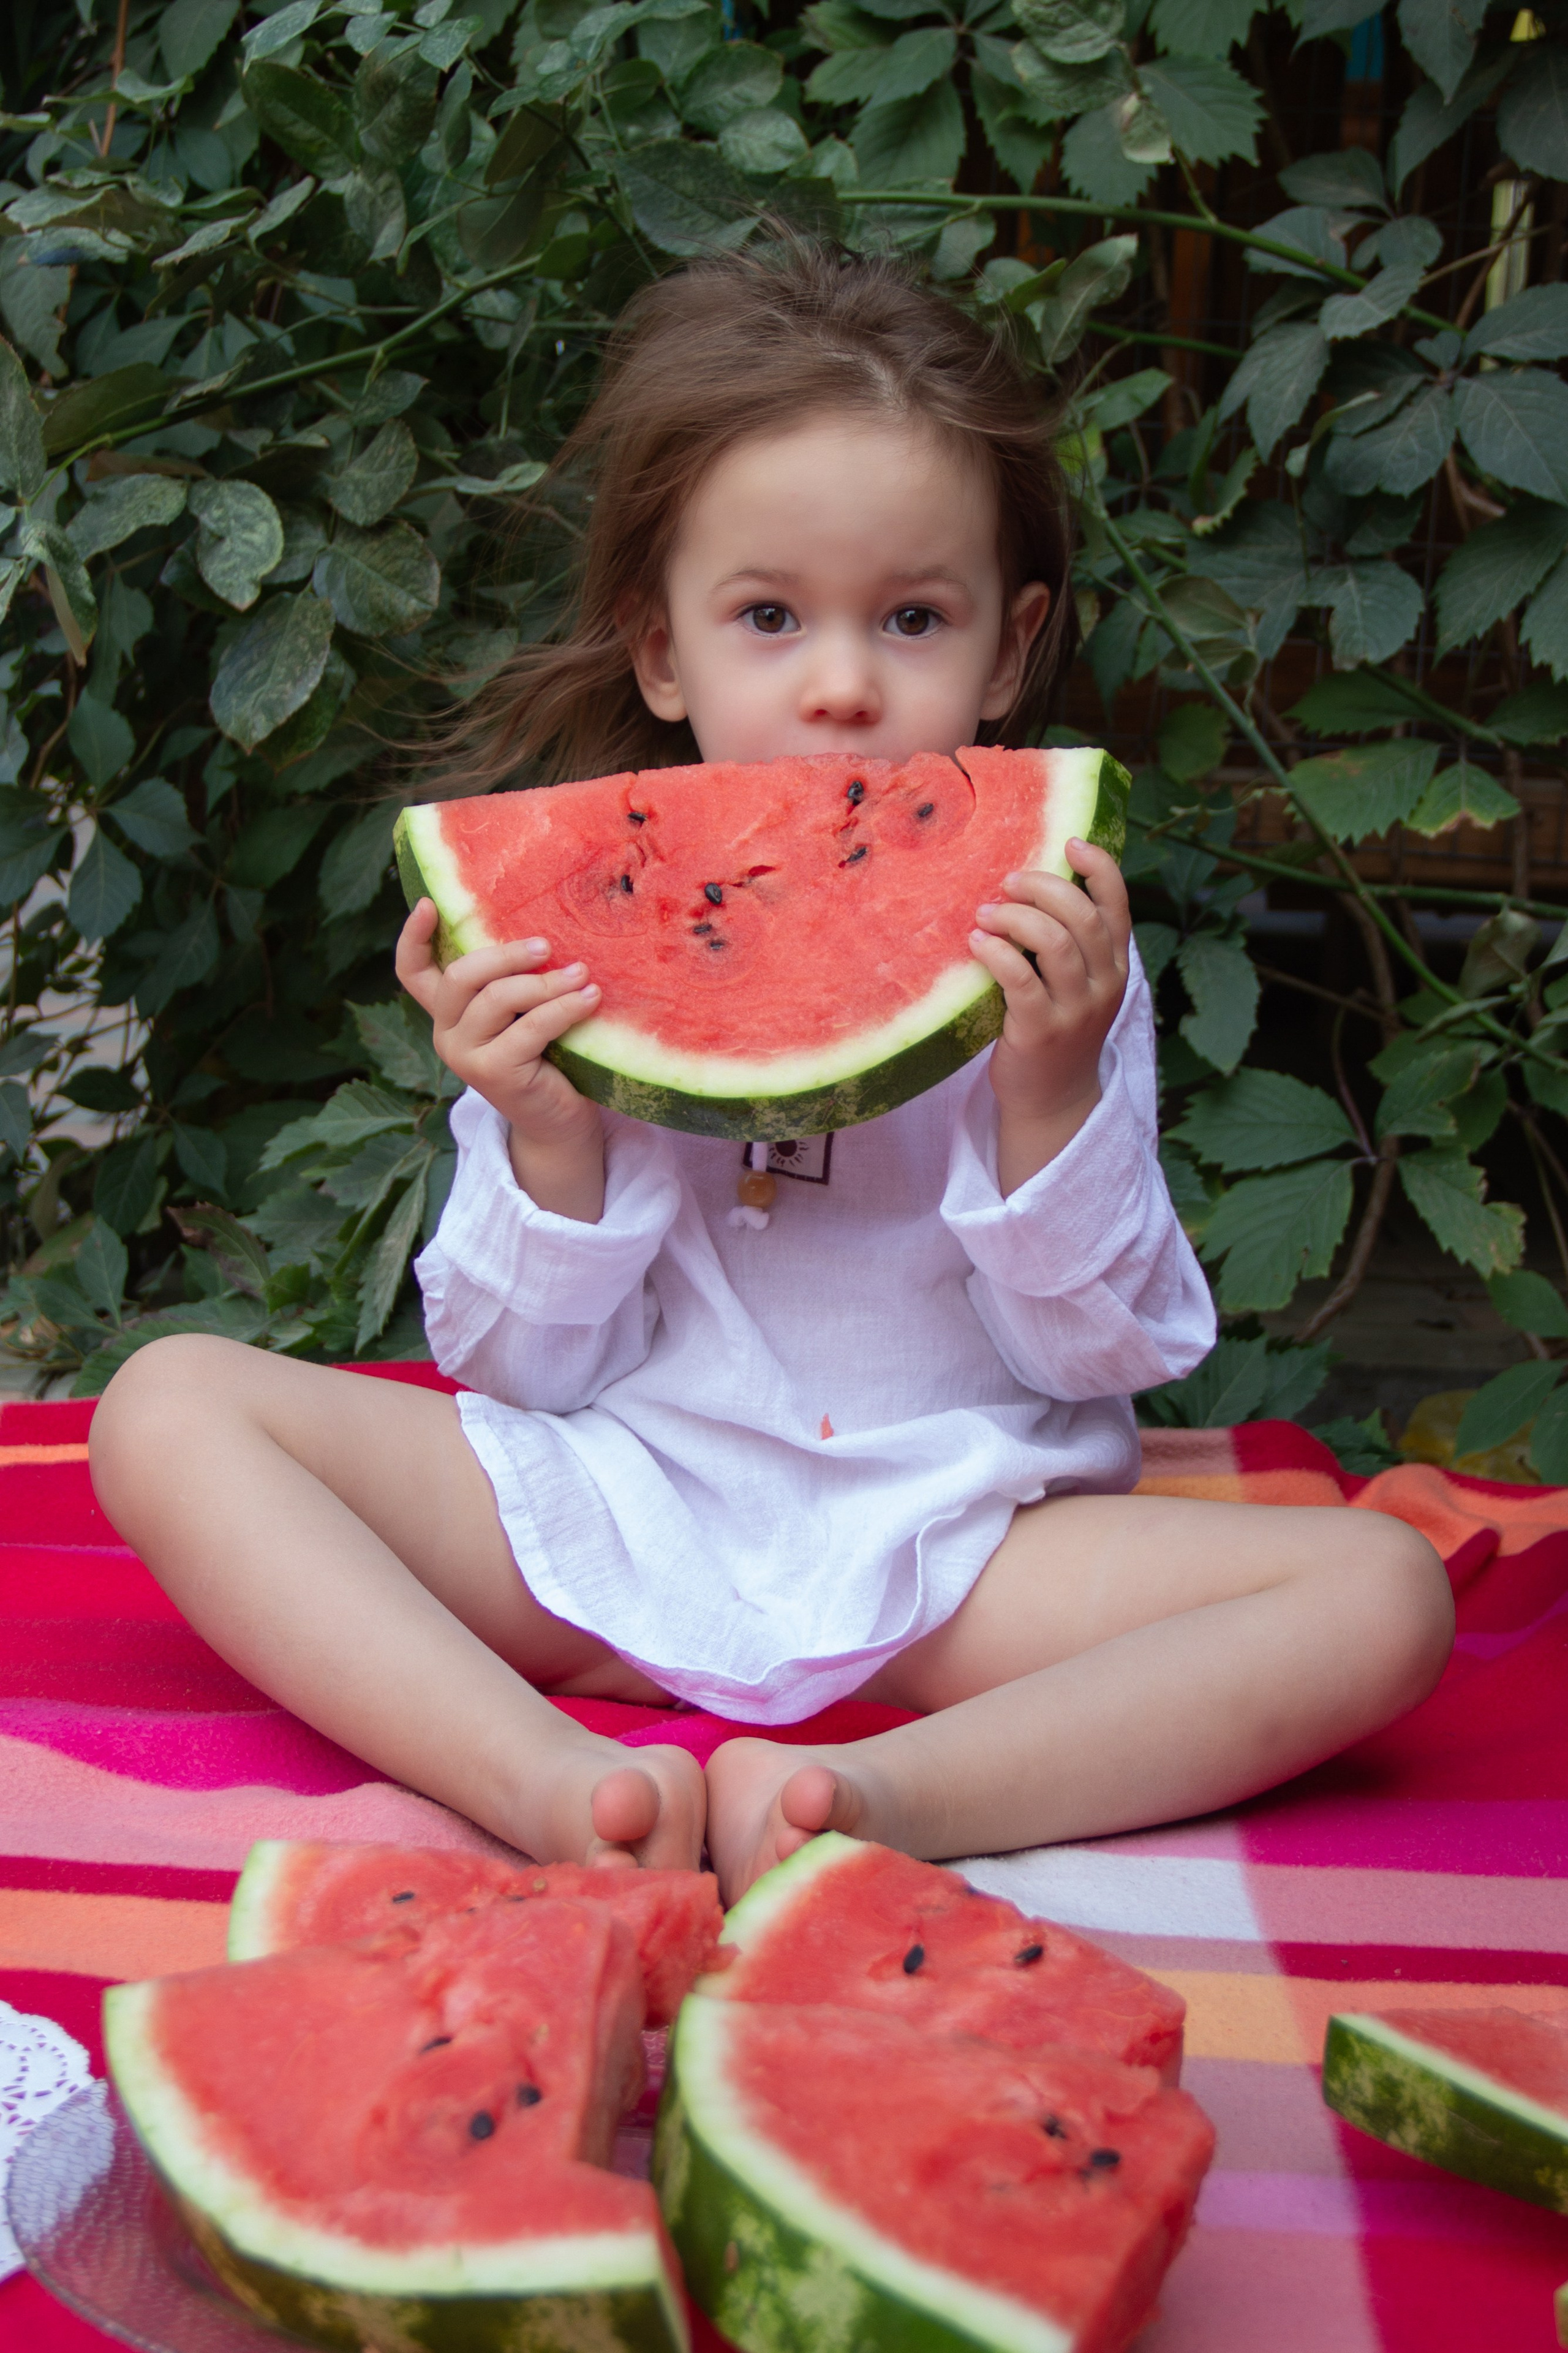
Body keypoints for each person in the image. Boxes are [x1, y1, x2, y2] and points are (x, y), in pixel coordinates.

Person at [90, 241, 1453, 1904]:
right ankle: (550, 1781)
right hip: (622, 1511)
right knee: (168, 1408)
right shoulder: (577, 950)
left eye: (914, 617)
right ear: (659, 649)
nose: (843, 685)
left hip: (961, 1551)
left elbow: (1101, 1355)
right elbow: (519, 1375)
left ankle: (868, 1798)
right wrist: (547, 1137)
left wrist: (1045, 1092)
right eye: (768, 616)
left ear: (1009, 647)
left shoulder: (1056, 951)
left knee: (1385, 1592)